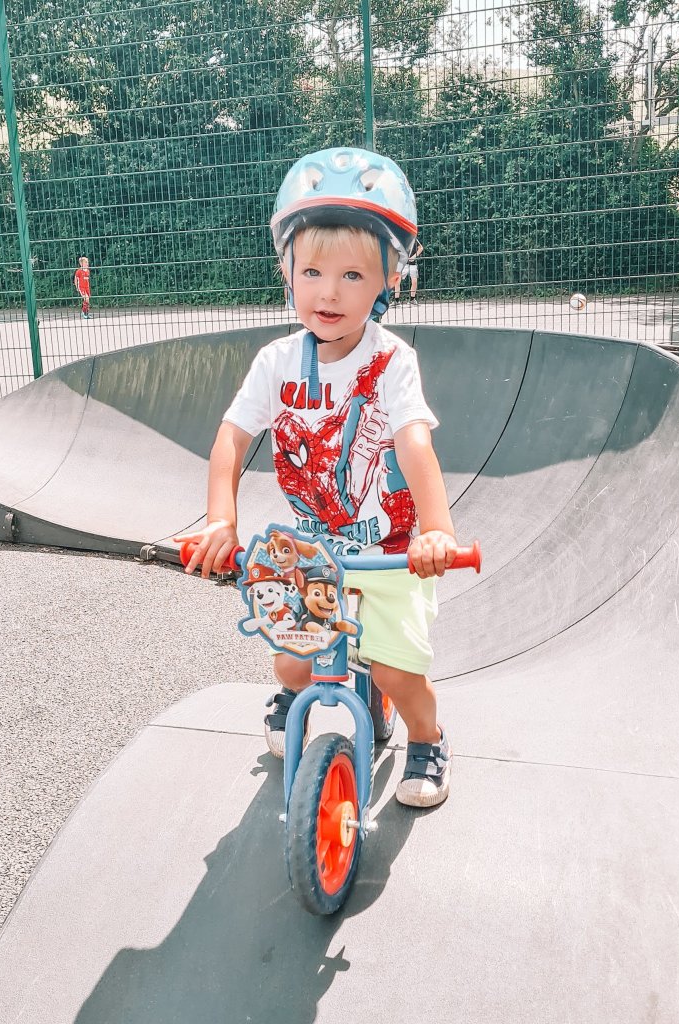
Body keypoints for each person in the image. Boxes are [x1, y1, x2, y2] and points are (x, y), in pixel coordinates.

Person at [176, 147, 457, 808]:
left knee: (396, 671)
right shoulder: (277, 362)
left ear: (390, 278)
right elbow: (231, 438)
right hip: (314, 551)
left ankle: (427, 737)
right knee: (291, 660)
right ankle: (293, 693)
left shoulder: (391, 362)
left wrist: (437, 530)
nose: (329, 292)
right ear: (287, 273)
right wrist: (221, 521)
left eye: (353, 275)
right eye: (312, 272)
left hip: (390, 550)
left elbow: (413, 443)